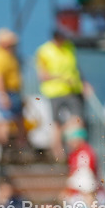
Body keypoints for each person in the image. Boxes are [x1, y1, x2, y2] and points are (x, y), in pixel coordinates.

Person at [35, 28, 85, 161]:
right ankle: (59, 154)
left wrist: (83, 83)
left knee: (76, 120)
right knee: (56, 124)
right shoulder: (44, 51)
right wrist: (61, 78)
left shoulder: (69, 47)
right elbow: (42, 75)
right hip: (54, 92)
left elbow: (76, 68)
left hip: (72, 90)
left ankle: (75, 150)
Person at [0, 28, 27, 155]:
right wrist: (2, 95)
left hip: (12, 92)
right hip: (5, 93)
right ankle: (3, 149)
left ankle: (18, 148)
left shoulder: (8, 55)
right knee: (3, 120)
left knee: (18, 121)